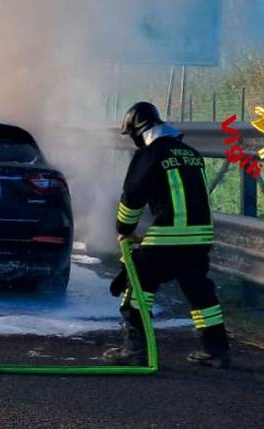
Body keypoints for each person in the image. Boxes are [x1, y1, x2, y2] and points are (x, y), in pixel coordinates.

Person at [105, 101, 231, 368]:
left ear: (139, 130)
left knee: (138, 288)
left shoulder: (149, 155)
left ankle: (135, 350)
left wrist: (124, 229)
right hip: (199, 239)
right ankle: (217, 351)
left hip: (168, 237)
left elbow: (133, 197)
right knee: (199, 292)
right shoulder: (191, 153)